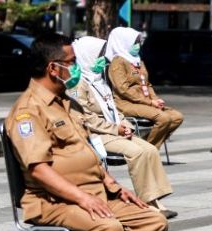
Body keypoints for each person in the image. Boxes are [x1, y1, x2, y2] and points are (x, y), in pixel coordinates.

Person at [5, 33, 168, 231]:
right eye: (71, 62)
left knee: (154, 222)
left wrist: (116, 188)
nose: (77, 67)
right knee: (109, 228)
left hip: (94, 193)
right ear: (53, 68)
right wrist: (82, 198)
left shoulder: (68, 103)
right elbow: (38, 169)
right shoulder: (28, 111)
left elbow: (88, 153)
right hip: (54, 201)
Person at [71, 37, 176, 218]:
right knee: (137, 152)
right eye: (99, 55)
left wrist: (124, 124)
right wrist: (115, 129)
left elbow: (113, 107)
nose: (103, 59)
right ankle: (146, 202)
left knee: (150, 149)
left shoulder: (99, 79)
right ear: (87, 55)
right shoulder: (78, 84)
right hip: (97, 134)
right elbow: (86, 117)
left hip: (114, 129)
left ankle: (155, 198)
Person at [106, 27, 184, 147]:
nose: (138, 45)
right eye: (135, 42)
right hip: (126, 104)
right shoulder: (118, 62)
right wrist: (150, 102)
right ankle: (149, 150)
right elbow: (123, 89)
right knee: (163, 118)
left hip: (145, 102)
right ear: (125, 42)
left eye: (138, 42)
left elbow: (147, 84)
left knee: (177, 117)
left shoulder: (137, 60)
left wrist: (155, 99)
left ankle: (146, 146)